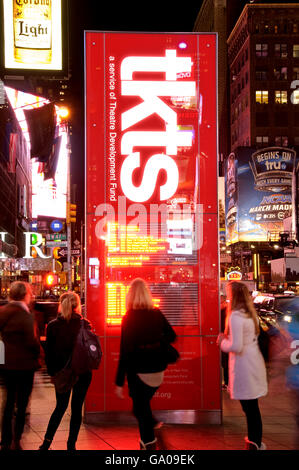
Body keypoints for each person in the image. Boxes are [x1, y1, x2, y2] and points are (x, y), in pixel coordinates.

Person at [115, 278, 177, 450]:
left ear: (130, 296)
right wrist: (156, 341)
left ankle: (148, 443)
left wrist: (119, 382)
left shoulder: (129, 318)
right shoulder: (156, 313)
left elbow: (125, 352)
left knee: (140, 410)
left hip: (139, 371)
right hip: (158, 370)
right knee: (141, 407)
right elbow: (172, 336)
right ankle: (152, 431)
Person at [217, 281, 268, 450]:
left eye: (229, 293)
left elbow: (236, 346)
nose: (227, 296)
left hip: (245, 366)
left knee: (250, 408)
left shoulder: (236, 316)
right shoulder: (249, 314)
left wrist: (222, 342)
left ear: (235, 295)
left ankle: (254, 443)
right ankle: (255, 441)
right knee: (252, 407)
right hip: (253, 363)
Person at [39, 292, 92, 451]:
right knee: (76, 409)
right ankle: (71, 444)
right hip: (82, 372)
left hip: (62, 373)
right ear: (78, 306)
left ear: (61, 305)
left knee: (60, 407)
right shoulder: (85, 324)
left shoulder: (53, 326)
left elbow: (49, 353)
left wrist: (52, 373)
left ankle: (46, 443)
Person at [0, 281, 41, 451]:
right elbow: (31, 342)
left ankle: (5, 440)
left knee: (8, 402)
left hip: (7, 365)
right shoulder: (26, 315)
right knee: (22, 404)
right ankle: (17, 439)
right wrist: (39, 353)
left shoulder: (2, 312)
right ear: (26, 295)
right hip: (24, 366)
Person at [220, 292, 229, 390]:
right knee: (225, 363)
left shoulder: (226, 310)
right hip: (224, 338)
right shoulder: (223, 309)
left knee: (226, 363)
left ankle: (227, 383)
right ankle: (227, 383)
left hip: (226, 338)